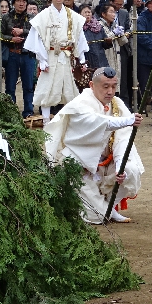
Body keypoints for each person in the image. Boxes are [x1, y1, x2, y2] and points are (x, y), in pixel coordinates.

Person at [44, 67, 144, 224]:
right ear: (92, 85)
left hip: (105, 163)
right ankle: (104, 209)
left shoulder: (117, 105)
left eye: (114, 86)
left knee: (131, 169)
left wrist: (120, 166)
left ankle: (110, 204)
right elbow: (97, 122)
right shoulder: (80, 103)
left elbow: (122, 139)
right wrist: (126, 120)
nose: (110, 92)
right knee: (97, 215)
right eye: (105, 86)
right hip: (80, 167)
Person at [24, 0, 89, 124]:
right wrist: (42, 59)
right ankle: (46, 120)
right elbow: (37, 38)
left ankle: (70, 121)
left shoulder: (72, 15)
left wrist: (82, 58)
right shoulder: (43, 15)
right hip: (50, 56)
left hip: (66, 56)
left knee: (69, 89)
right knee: (47, 88)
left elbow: (79, 37)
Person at [1, 0, 36, 118]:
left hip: (28, 55)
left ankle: (28, 111)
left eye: (24, 1)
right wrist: (11, 39)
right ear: (14, 3)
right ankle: (11, 113)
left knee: (28, 85)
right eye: (18, 1)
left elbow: (36, 33)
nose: (21, 4)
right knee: (10, 86)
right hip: (12, 54)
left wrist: (22, 31)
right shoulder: (6, 17)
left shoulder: (32, 18)